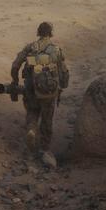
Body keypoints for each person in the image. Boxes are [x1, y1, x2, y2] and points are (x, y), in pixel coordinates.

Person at [10, 22, 69, 166]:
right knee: (47, 120)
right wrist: (62, 86)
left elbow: (15, 65)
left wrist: (15, 80)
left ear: (38, 32)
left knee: (32, 112)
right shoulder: (56, 50)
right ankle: (44, 150)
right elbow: (64, 72)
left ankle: (31, 130)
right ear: (51, 33)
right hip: (49, 92)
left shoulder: (30, 48)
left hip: (30, 89)